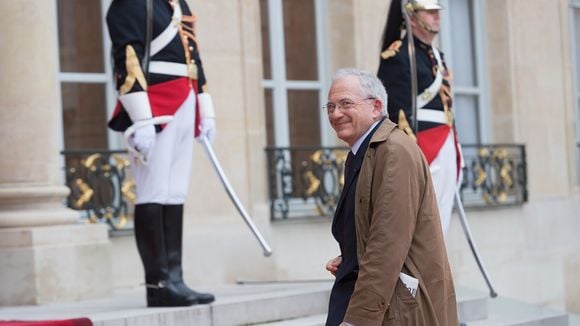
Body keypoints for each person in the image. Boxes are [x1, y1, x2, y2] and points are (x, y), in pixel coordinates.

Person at [324, 68, 458, 326]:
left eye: (345, 104)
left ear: (376, 107)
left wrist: (357, 320)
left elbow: (388, 242)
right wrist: (351, 256)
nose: (335, 113)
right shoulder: (366, 150)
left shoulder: (393, 151)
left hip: (396, 309)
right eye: (330, 106)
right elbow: (377, 228)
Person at [106, 0, 216, 307]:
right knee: (153, 191)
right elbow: (126, 59)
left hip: (186, 98)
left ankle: (176, 279)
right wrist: (140, 115)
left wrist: (205, 107)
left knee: (175, 192)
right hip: (155, 103)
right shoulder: (129, 4)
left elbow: (194, 56)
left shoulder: (176, 4)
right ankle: (158, 284)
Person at [377, 0, 462, 235]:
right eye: (430, 11)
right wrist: (410, 155)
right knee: (419, 220)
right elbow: (395, 113)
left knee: (440, 219)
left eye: (437, 11)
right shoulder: (397, 55)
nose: (437, 16)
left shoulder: (437, 56)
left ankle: (433, 270)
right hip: (423, 146)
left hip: (445, 141)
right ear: (412, 16)